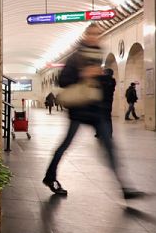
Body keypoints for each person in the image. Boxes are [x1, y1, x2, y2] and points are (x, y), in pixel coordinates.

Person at [42, 24, 146, 199]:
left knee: (111, 146)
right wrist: (83, 74)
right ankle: (50, 177)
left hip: (96, 110)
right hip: (79, 109)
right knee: (65, 145)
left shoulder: (98, 56)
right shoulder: (76, 57)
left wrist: (102, 79)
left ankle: (125, 188)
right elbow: (63, 81)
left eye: (98, 34)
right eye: (91, 34)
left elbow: (100, 86)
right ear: (85, 35)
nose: (94, 37)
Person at [95, 68, 116, 137]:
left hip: (100, 101)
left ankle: (99, 133)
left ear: (105, 73)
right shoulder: (113, 81)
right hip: (109, 101)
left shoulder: (101, 79)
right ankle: (109, 133)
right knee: (108, 118)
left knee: (99, 117)